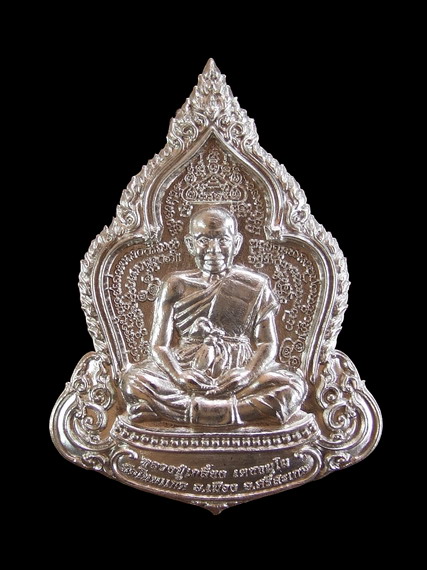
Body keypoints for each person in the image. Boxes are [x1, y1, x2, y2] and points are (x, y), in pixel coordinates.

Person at [120, 207, 306, 426]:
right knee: (133, 380)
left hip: (239, 370)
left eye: (223, 240)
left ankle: (174, 412)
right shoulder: (176, 285)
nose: (213, 250)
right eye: (203, 240)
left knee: (293, 386)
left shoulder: (256, 285)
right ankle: (235, 413)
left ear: (237, 243)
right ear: (190, 244)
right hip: (188, 369)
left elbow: (267, 343)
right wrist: (179, 376)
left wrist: (247, 374)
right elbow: (159, 346)